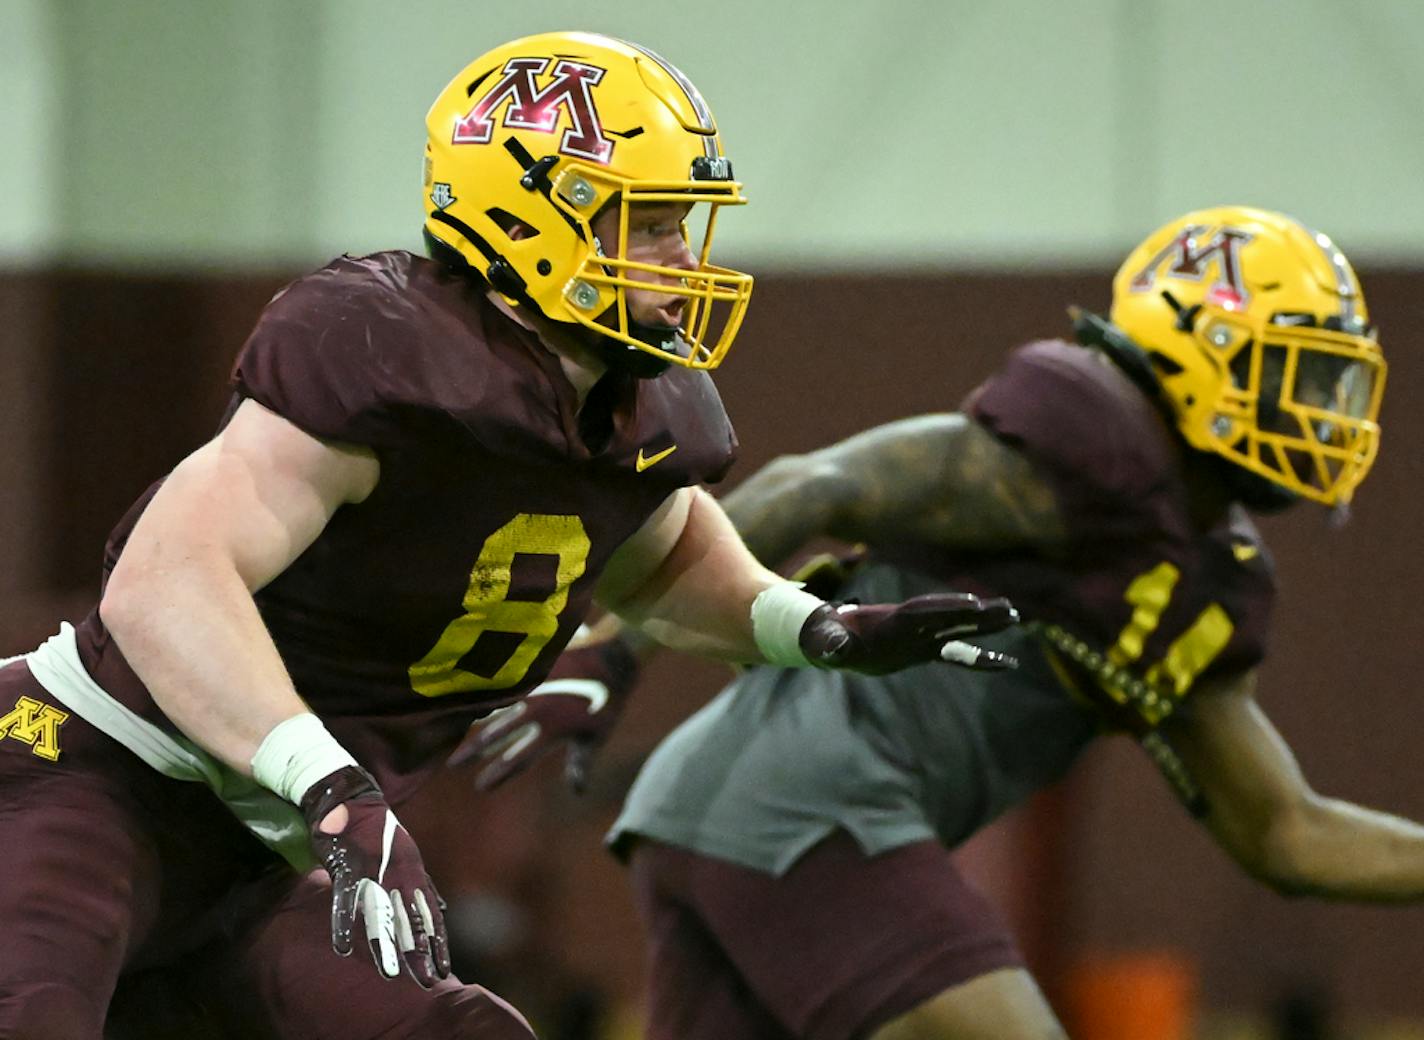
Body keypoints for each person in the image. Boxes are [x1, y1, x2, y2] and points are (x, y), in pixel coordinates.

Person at [0, 31, 1016, 1040]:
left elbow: (664, 554)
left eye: (682, 222)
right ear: (532, 215)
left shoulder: (630, 407)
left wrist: (818, 627)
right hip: (86, 778)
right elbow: (163, 582)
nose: (679, 255)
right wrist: (333, 785)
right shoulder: (385, 353)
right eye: (650, 222)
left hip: (255, 858)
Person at [464, 206, 1424, 1040]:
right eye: (1295, 374)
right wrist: (613, 647)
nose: (1319, 414)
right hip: (807, 807)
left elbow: (1287, 833)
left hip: (719, 819)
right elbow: (813, 485)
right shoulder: (1077, 455)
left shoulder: (1199, 573)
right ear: (1200, 351)